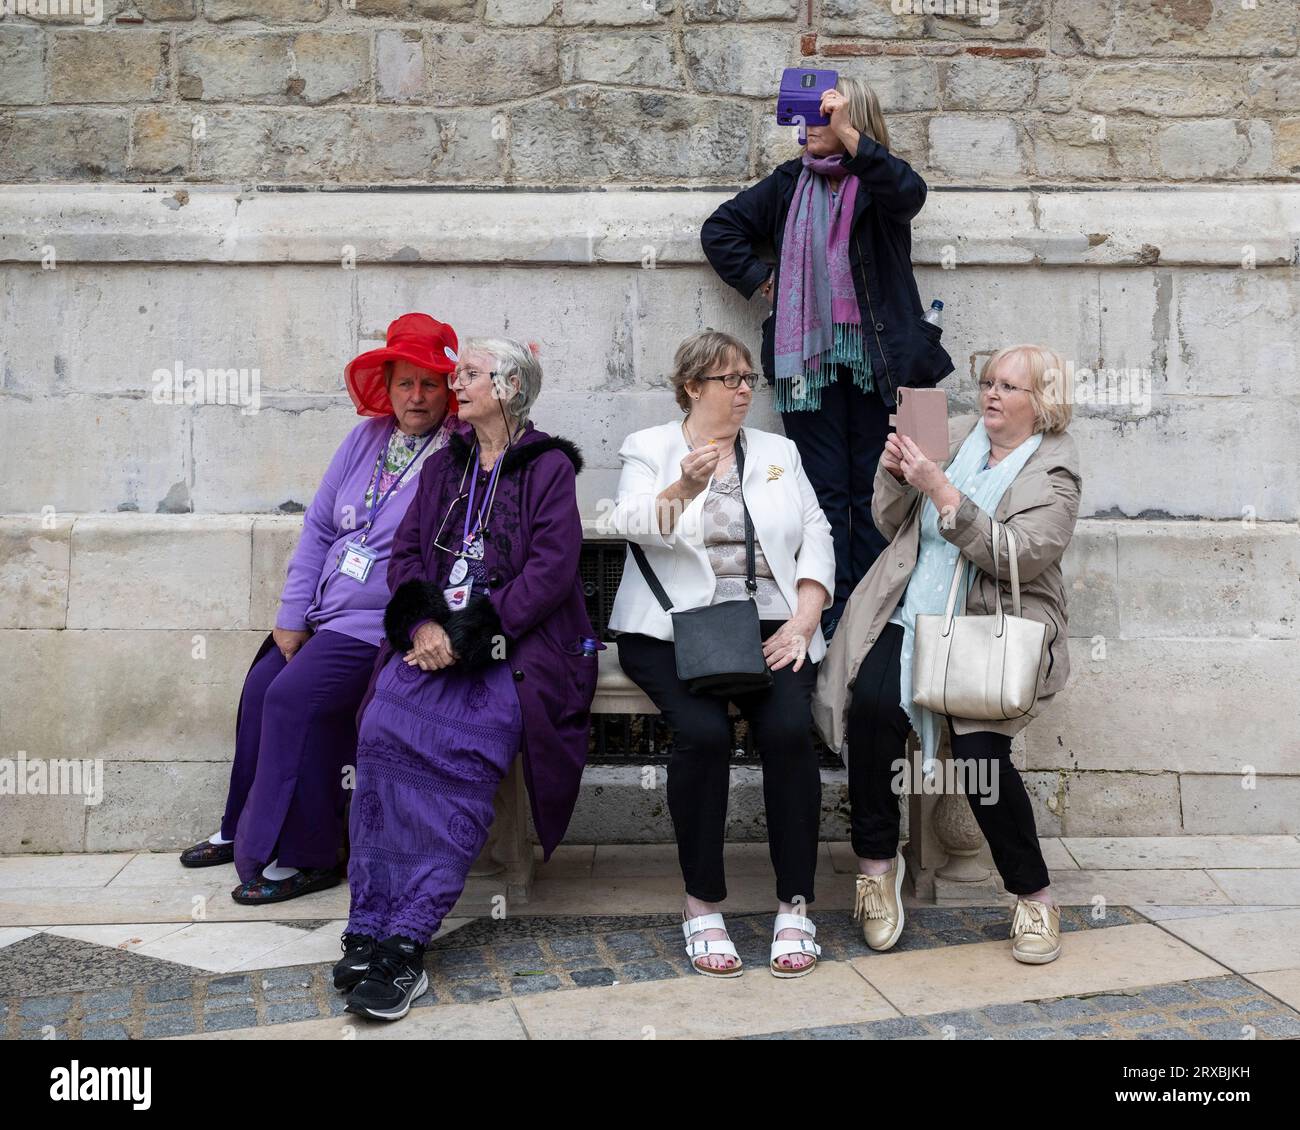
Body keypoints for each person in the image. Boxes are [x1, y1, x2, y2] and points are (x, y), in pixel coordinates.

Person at [338, 337, 599, 1021]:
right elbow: (405, 558)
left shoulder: (546, 469)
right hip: (431, 645)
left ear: (511, 388)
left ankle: (407, 939)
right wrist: (423, 626)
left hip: (514, 649)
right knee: (382, 729)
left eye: (472, 373)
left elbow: (550, 571)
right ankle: (368, 919)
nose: (457, 381)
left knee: (457, 749)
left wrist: (469, 636)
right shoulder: (443, 467)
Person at [177, 313, 460, 904]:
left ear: (448, 388)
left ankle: (311, 854)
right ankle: (241, 827)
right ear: (387, 385)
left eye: (429, 383)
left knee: (292, 700)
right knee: (259, 690)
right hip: (323, 614)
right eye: (405, 382)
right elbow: (318, 528)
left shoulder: (456, 451)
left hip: (376, 625)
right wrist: (291, 613)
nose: (416, 396)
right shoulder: (365, 438)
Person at [813, 345, 1082, 964]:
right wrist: (895, 474)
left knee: (982, 757)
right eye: (986, 382)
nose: (989, 394)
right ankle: (877, 869)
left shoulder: (1055, 473)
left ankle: (1034, 897)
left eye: (1007, 387)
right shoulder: (955, 437)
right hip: (908, 609)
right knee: (872, 713)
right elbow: (889, 523)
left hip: (990, 624)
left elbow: (1021, 556)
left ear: (1041, 403)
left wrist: (943, 493)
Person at [604, 330, 835, 979]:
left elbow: (816, 532)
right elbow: (625, 522)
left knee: (789, 730)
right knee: (703, 736)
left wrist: (805, 617)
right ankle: (701, 905)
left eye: (747, 379)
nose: (742, 390)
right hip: (674, 630)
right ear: (691, 386)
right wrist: (682, 484)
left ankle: (795, 906)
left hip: (770, 624)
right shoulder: (650, 447)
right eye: (727, 379)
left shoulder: (778, 451)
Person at [702, 77, 954, 641]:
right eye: (808, 119)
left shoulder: (880, 181)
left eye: (824, 118)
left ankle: (869, 616)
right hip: (805, 367)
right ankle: (825, 612)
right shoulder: (789, 183)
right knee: (819, 490)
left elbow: (909, 195)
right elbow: (720, 230)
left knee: (873, 490)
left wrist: (849, 136)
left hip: (877, 362)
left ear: (853, 120)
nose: (811, 127)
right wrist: (764, 280)